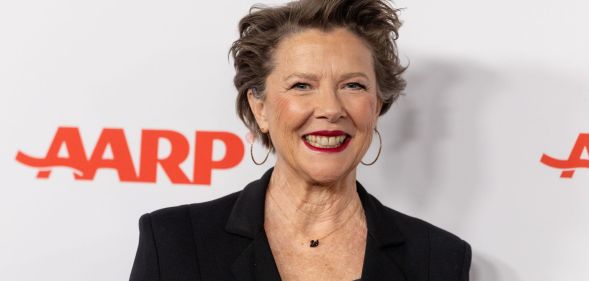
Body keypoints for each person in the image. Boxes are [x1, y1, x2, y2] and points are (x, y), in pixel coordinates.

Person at [129, 0, 472, 280]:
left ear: (377, 104)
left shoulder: (437, 258)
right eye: (301, 85)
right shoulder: (174, 241)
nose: (330, 109)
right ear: (259, 107)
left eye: (353, 85)